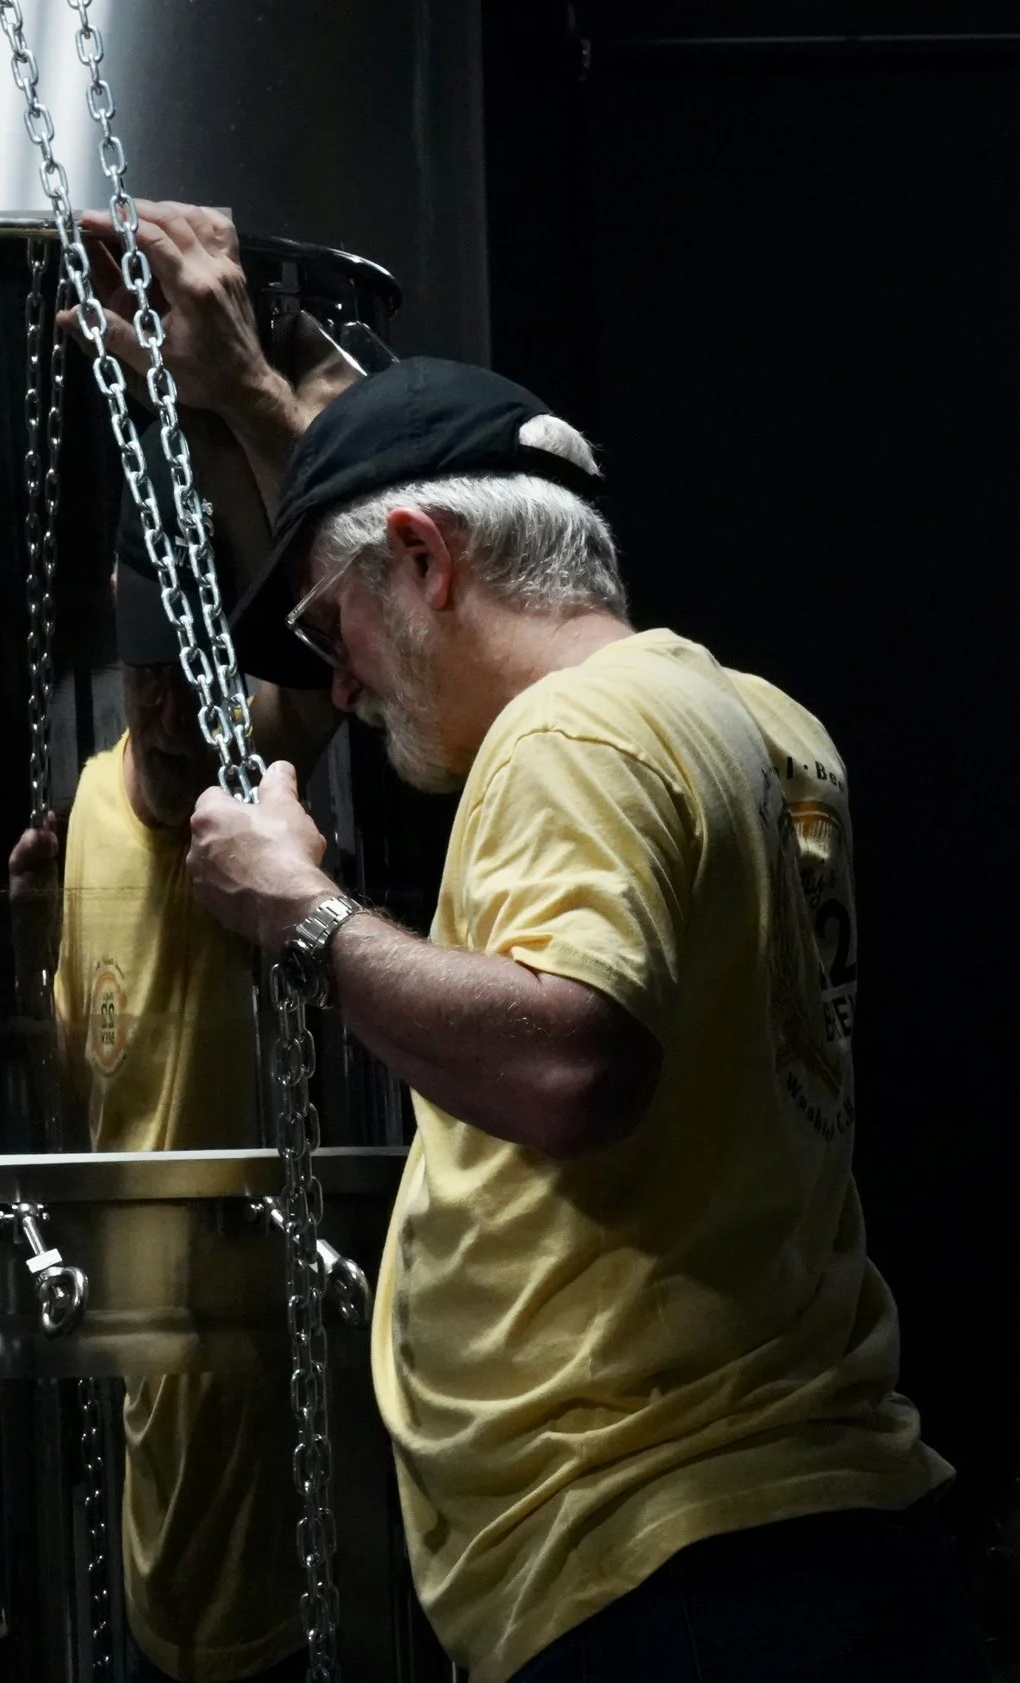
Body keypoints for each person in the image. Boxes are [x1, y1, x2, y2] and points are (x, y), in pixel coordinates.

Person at [182, 357, 985, 1683]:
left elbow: (571, 1064)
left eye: (335, 630)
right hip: (791, 1530)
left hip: (672, 1554)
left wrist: (291, 908)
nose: (340, 687)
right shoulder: (762, 723)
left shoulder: (577, 732)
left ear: (426, 559)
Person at [7, 203, 349, 1682]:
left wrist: (222, 410)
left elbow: (339, 652)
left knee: (263, 1606)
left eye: (180, 679)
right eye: (139, 680)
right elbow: (74, 1062)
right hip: (126, 1295)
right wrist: (34, 940)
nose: (158, 713)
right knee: (147, 1590)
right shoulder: (82, 806)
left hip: (253, 1278)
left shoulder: (252, 769)